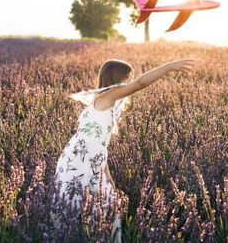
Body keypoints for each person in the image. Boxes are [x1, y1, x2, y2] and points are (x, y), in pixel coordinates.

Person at [51, 58, 196, 242]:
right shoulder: (107, 96)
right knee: (67, 212)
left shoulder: (104, 102)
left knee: (106, 210)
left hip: (91, 160)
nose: (129, 83)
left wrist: (107, 175)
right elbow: (140, 83)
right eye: (127, 78)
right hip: (77, 161)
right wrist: (168, 67)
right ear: (117, 78)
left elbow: (100, 144)